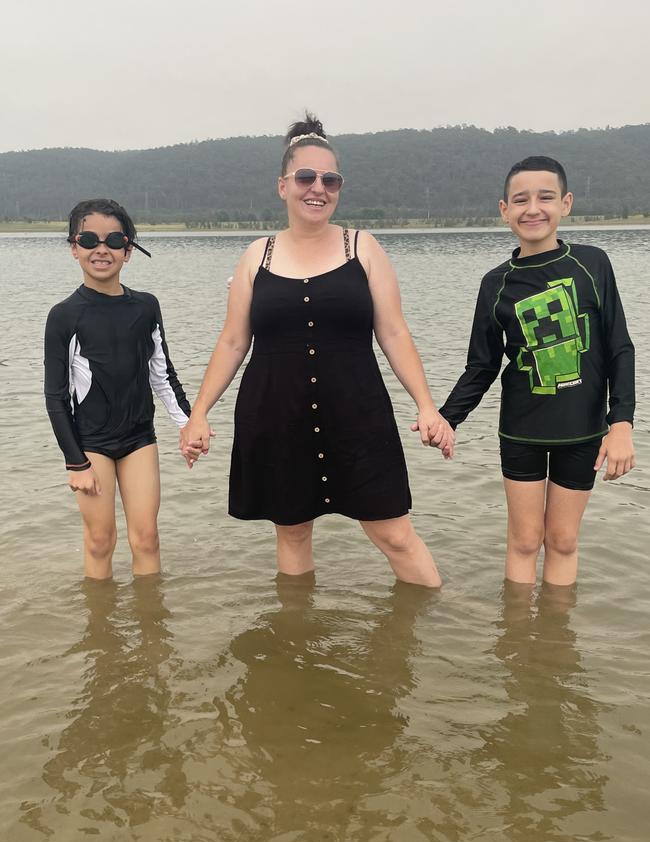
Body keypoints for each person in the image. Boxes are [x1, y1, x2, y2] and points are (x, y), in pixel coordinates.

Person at [180, 114, 454, 587]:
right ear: (283, 185)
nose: (318, 188)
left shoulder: (362, 247)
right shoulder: (255, 256)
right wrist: (199, 413)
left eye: (331, 179)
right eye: (306, 177)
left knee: (394, 533)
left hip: (357, 411)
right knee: (292, 533)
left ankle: (430, 629)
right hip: (276, 412)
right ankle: (296, 645)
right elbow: (232, 341)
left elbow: (393, 333)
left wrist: (427, 406)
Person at [439, 156, 635, 586]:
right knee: (525, 542)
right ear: (504, 210)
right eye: (520, 200)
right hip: (521, 432)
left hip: (583, 431)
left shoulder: (592, 265)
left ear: (565, 203)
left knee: (563, 541)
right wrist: (446, 418)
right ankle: (515, 642)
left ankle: (553, 646)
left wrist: (620, 424)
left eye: (545, 197)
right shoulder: (496, 284)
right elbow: (482, 365)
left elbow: (620, 348)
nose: (533, 209)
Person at [44, 198, 191, 580]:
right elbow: (56, 397)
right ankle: (100, 633)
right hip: (91, 443)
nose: (101, 249)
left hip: (139, 437)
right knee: (100, 540)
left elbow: (162, 374)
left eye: (113, 240)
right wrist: (75, 462)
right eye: (89, 239)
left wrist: (189, 424)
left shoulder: (145, 307)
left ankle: (152, 631)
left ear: (128, 251)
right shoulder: (64, 316)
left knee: (146, 539)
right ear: (74, 248)